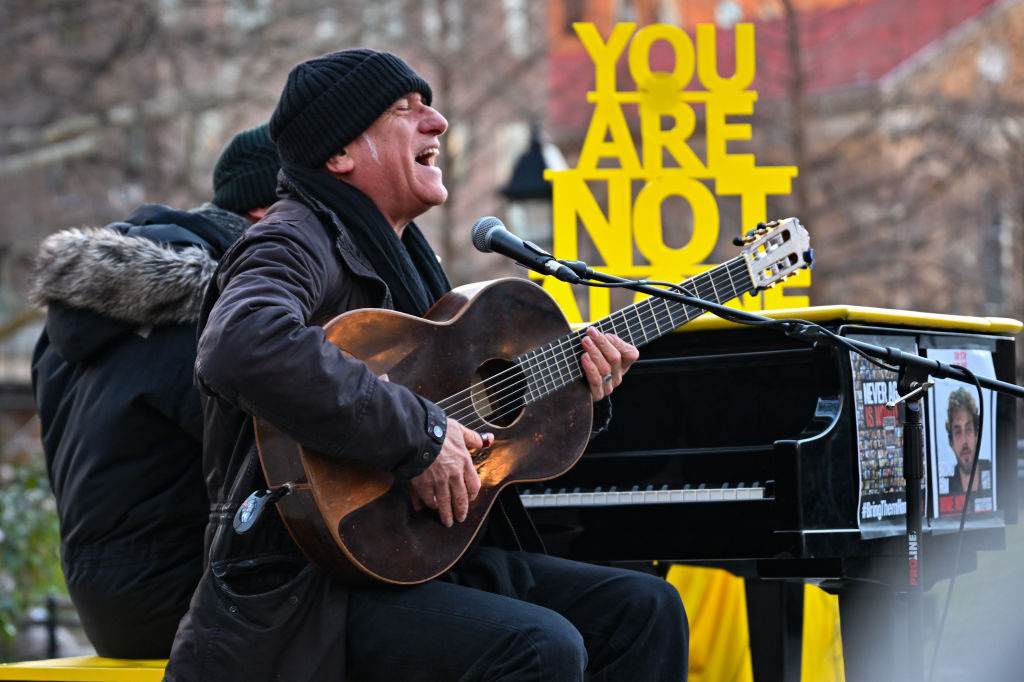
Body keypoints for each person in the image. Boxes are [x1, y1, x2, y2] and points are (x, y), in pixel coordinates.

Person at [164, 49, 688, 681]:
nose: (436, 121)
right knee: (537, 646)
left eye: (429, 106)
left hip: (422, 554)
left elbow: (475, 432)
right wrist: (422, 435)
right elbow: (243, 344)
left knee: (645, 609)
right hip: (308, 589)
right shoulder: (292, 237)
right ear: (340, 153)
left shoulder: (405, 256)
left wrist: (578, 386)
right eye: (403, 109)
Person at [29, 123, 280, 659]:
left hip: (101, 599)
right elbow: (274, 455)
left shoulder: (66, 326)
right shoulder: (217, 313)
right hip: (188, 598)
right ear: (265, 211)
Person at [943, 387, 990, 495]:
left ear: (976, 435)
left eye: (968, 429)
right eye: (958, 432)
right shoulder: (947, 484)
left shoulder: (993, 471)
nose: (964, 440)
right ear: (951, 442)